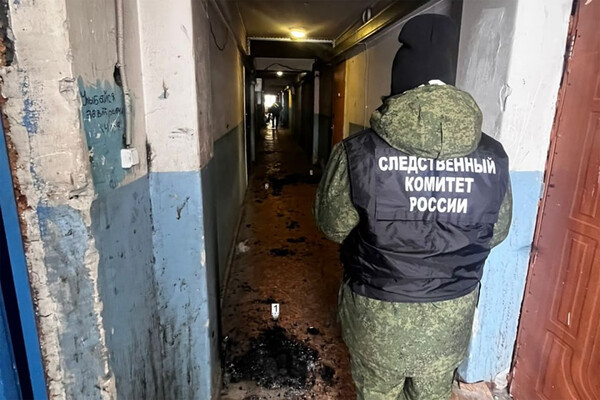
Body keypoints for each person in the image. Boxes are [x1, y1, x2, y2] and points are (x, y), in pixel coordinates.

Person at [314, 14, 512, 400]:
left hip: (376, 319)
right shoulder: (493, 155)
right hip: (449, 320)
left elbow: (332, 225)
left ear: (399, 83)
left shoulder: (359, 153)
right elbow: (497, 232)